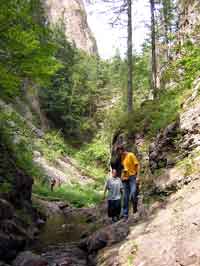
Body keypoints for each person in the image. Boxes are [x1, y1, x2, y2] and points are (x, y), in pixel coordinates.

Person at [117, 145, 140, 220]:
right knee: (125, 197)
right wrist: (121, 178)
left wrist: (138, 176)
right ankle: (125, 214)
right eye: (118, 152)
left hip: (132, 177)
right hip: (124, 179)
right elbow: (123, 169)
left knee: (133, 194)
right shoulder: (121, 157)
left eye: (120, 152)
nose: (119, 154)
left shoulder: (131, 155)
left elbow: (137, 165)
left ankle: (135, 209)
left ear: (123, 150)